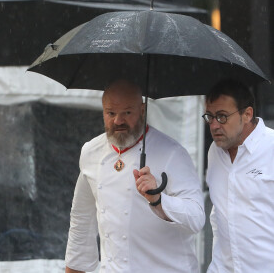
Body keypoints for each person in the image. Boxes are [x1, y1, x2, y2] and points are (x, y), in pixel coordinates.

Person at [65, 79, 205, 273]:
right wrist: (75, 268)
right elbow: (82, 218)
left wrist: (158, 200)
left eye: (127, 112)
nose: (118, 121)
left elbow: (197, 218)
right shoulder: (90, 152)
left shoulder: (173, 153)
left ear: (143, 110)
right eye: (111, 113)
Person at [203, 79, 274, 273]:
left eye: (222, 116)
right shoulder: (214, 152)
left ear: (247, 114)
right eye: (209, 116)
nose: (214, 125)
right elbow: (218, 216)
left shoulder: (271, 147)